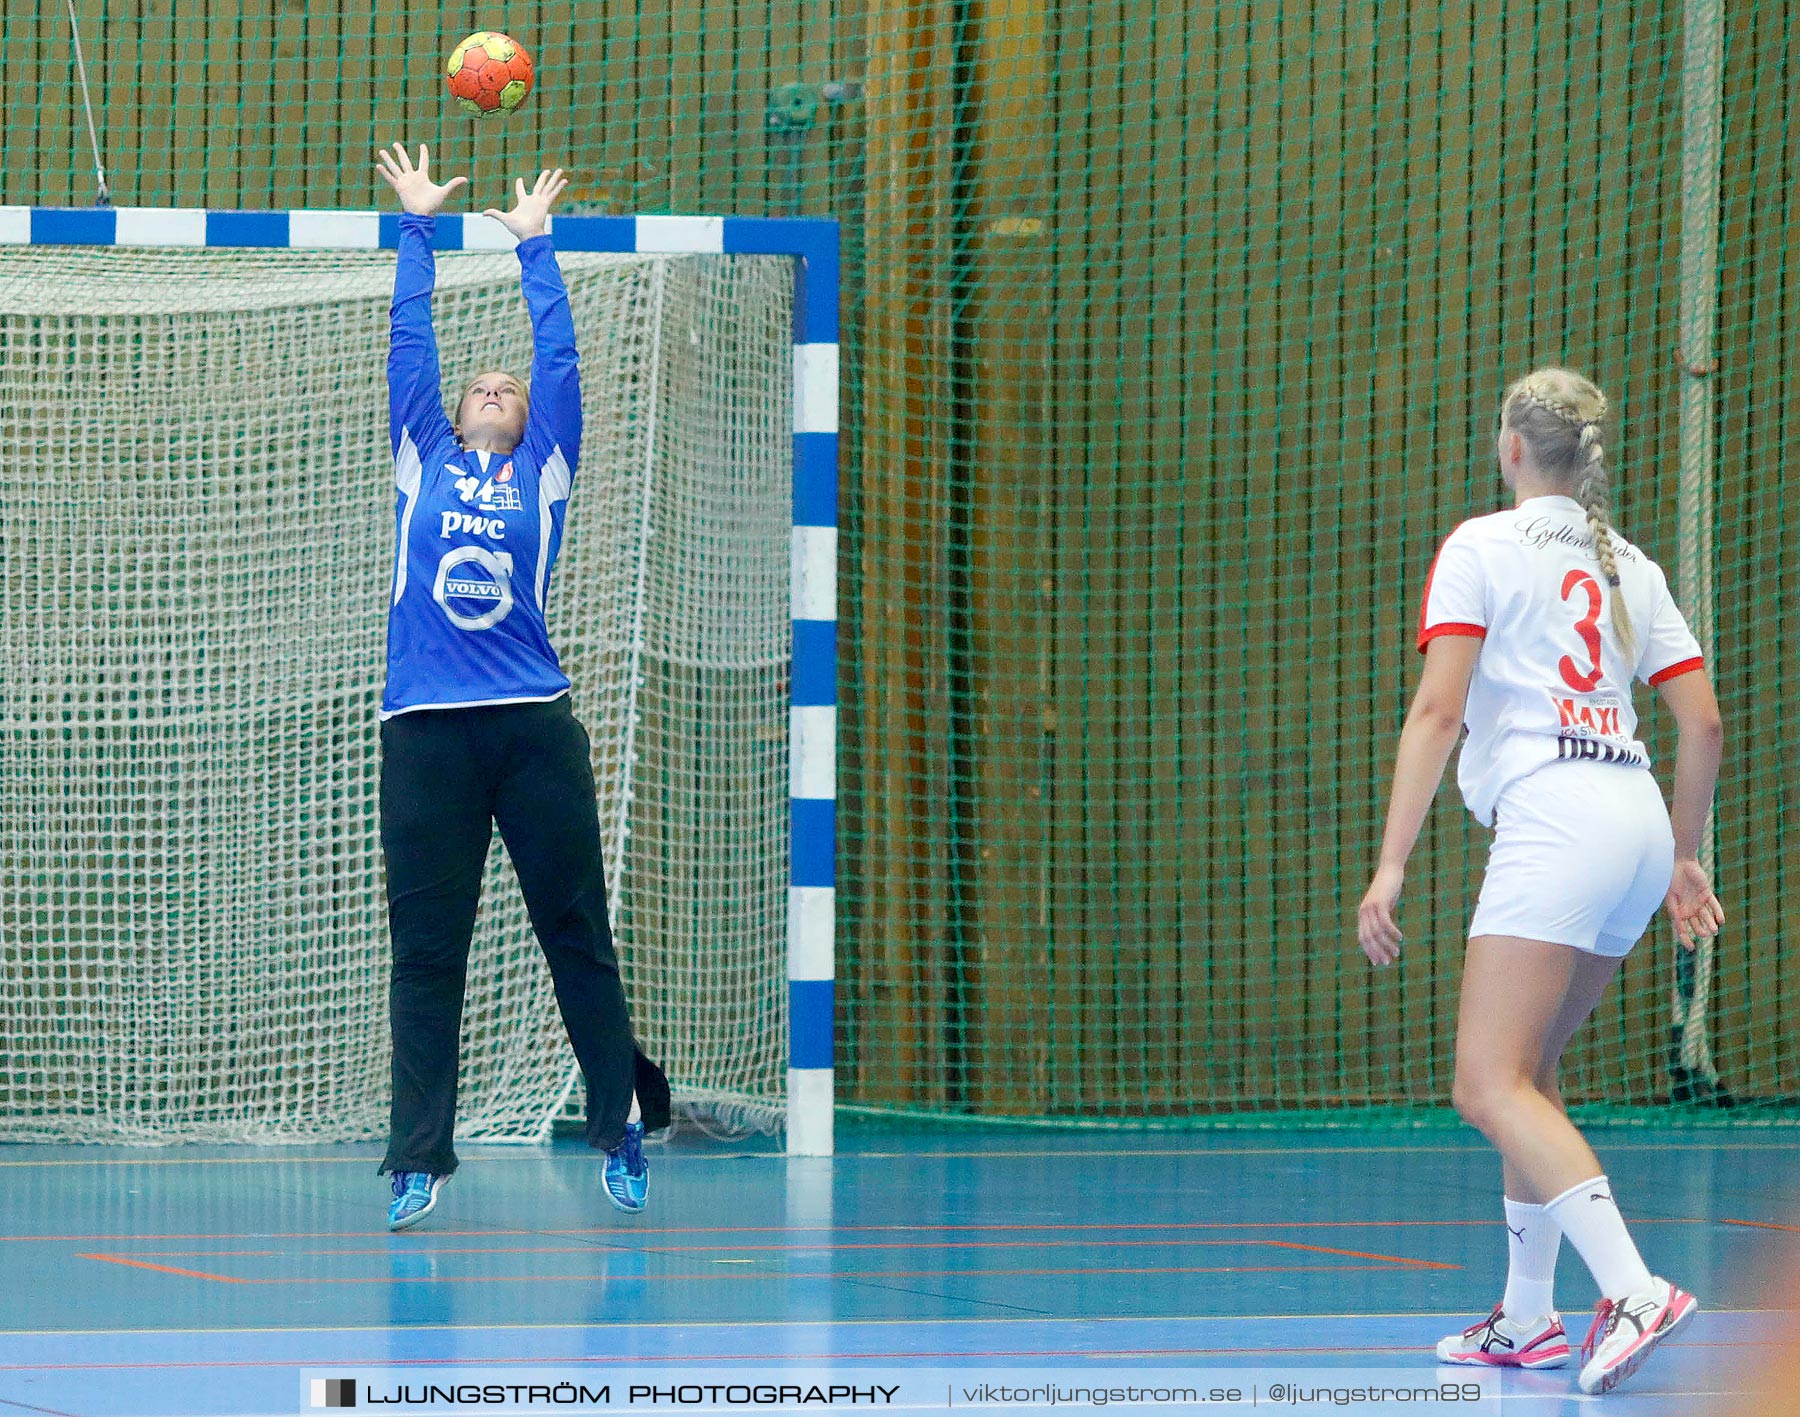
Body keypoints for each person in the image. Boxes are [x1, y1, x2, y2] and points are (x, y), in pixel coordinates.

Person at [1356, 368, 1725, 1395]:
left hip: (1557, 819)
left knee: (1485, 1081)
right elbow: (1702, 724)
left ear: (1511, 448)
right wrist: (1684, 858)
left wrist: (1390, 865)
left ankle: (1635, 1288)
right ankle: (1527, 1317)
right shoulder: (1633, 566)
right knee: (1530, 1071)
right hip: (1635, 819)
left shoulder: (1480, 545)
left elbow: (1436, 713)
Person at [372, 142, 669, 1232]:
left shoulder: (548, 462)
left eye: (510, 384)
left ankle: (618, 1122)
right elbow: (412, 343)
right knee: (427, 950)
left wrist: (535, 245)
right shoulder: (422, 456)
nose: (496, 386)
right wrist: (418, 225)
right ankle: (418, 1158)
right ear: (453, 415)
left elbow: (562, 356)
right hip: (425, 734)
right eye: (479, 386)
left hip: (535, 727)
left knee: (573, 929)